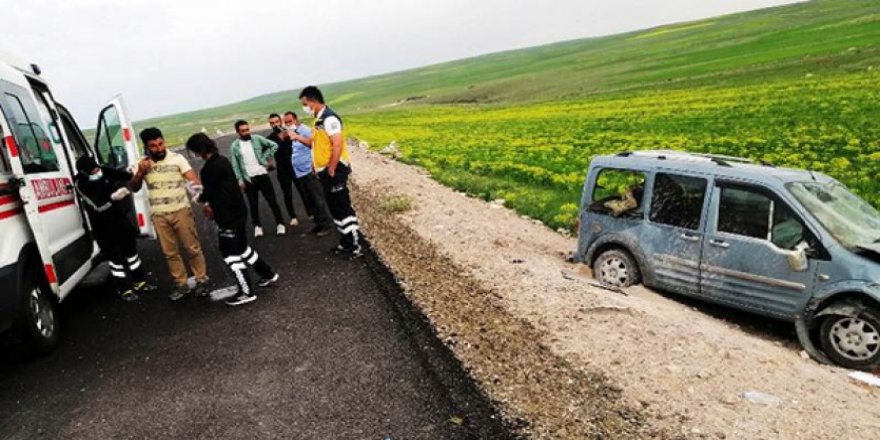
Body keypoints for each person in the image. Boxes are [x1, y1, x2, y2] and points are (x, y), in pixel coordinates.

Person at [185, 133, 279, 307]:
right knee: (242, 248)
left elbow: (209, 193)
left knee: (229, 253)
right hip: (238, 211)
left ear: (198, 150)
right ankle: (267, 274)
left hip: (227, 217)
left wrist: (199, 197)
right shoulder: (222, 160)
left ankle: (246, 291)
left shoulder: (209, 169)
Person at [130, 127, 210, 301]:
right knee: (170, 253)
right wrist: (141, 172)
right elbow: (134, 187)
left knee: (192, 248)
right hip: (159, 215)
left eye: (161, 144)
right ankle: (181, 284)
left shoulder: (177, 158)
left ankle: (202, 279)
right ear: (146, 147)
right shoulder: (141, 163)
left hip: (181, 210)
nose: (159, 149)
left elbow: (193, 180)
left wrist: (204, 199)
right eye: (154, 146)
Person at [75, 156, 156, 301]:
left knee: (131, 252)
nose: (98, 171)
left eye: (98, 168)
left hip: (119, 220)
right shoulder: (81, 185)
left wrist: (133, 172)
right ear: (84, 172)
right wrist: (113, 197)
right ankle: (124, 289)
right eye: (93, 171)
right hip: (102, 225)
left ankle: (140, 282)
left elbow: (124, 176)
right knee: (115, 258)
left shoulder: (104, 171)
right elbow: (97, 206)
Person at [299, 86, 363, 258]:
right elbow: (317, 145)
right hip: (324, 171)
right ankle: (345, 243)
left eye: (305, 104)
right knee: (335, 208)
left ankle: (355, 247)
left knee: (342, 208)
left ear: (312, 101)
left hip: (334, 170)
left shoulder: (330, 119)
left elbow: (337, 144)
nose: (304, 107)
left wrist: (332, 168)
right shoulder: (318, 120)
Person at [229, 120, 286, 237]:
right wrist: (239, 179)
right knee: (253, 205)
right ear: (237, 132)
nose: (246, 132)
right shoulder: (235, 146)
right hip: (249, 179)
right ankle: (257, 227)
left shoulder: (257, 139)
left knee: (272, 202)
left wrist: (264, 158)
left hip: (262, 175)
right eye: (243, 131)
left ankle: (280, 224)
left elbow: (274, 145)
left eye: (247, 129)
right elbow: (235, 164)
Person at [281, 111, 334, 236]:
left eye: (290, 121)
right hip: (300, 173)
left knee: (317, 199)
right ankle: (318, 223)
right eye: (286, 122)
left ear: (296, 119)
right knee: (309, 200)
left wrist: (297, 137)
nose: (288, 124)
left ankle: (327, 225)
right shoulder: (292, 132)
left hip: (309, 170)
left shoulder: (304, 130)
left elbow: (313, 144)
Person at [266, 113, 300, 227]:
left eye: (276, 122)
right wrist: (270, 164)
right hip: (282, 170)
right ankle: (293, 216)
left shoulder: (289, 132)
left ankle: (310, 213)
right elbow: (263, 152)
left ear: (280, 121)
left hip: (295, 166)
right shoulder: (270, 139)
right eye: (272, 123)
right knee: (287, 194)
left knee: (303, 190)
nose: (275, 125)